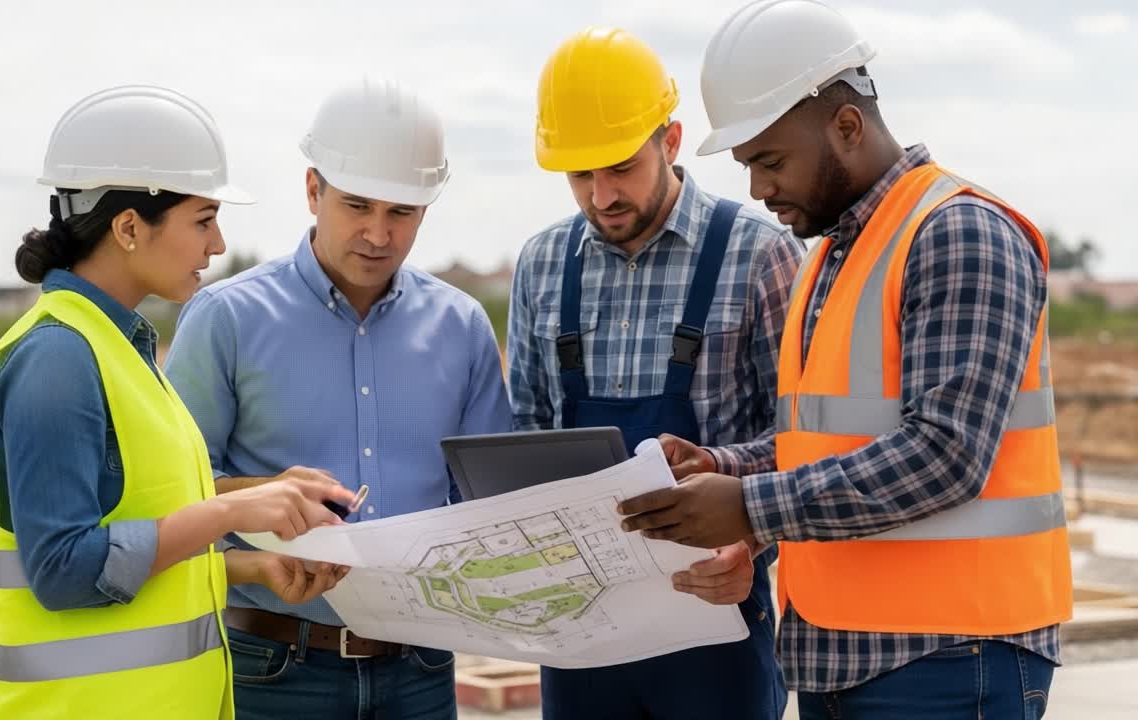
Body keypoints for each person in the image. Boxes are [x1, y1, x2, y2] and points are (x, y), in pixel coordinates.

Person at [619, 1, 1072, 718]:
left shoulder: (958, 233)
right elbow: (828, 441)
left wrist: (746, 507)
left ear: (847, 127)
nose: (759, 190)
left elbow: (945, 453)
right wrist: (724, 467)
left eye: (770, 161)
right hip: (842, 656)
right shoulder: (834, 253)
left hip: (952, 660)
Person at [0, 85, 356, 720]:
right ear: (128, 227)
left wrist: (251, 564)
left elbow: (145, 522)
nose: (218, 243)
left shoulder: (118, 347)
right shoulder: (57, 360)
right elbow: (66, 569)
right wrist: (240, 508)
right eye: (203, 219)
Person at [164, 76, 512, 720]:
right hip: (274, 670)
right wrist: (267, 500)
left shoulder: (462, 328)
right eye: (358, 206)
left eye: (401, 213)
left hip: (423, 668)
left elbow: (487, 503)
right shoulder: (226, 320)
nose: (379, 234)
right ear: (313, 190)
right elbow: (173, 492)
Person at [507, 27, 801, 720]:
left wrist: (750, 526)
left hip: (717, 617)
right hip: (583, 627)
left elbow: (804, 440)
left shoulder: (761, 255)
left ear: (670, 141)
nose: (601, 195)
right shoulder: (544, 265)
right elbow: (525, 432)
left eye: (619, 167)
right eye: (580, 175)